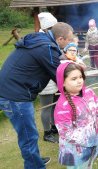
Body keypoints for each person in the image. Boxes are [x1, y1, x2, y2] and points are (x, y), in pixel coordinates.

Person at [0, 22, 73, 168]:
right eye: (69, 40)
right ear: (60, 39)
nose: (70, 42)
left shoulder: (42, 40)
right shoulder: (46, 49)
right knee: (28, 135)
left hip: (11, 90)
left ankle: (34, 160)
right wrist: (77, 77)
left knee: (28, 134)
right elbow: (60, 76)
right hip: (15, 95)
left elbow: (56, 63)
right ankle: (35, 165)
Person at [54, 62, 98, 168]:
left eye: (80, 77)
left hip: (90, 145)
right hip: (76, 152)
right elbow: (67, 134)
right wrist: (94, 141)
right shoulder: (63, 107)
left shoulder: (88, 92)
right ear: (62, 82)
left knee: (88, 165)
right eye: (73, 79)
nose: (79, 81)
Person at [38, 12, 59, 143]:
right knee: (47, 108)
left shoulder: (50, 38)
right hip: (45, 82)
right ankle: (47, 133)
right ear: (48, 28)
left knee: (54, 106)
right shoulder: (42, 41)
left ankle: (54, 126)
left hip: (54, 80)